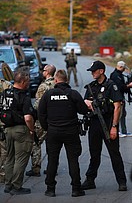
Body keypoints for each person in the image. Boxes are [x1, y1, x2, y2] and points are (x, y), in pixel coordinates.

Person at [38, 69, 89, 197]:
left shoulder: (48, 94)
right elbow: (83, 110)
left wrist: (47, 128)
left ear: (55, 80)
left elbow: (40, 113)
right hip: (70, 131)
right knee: (73, 160)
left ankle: (50, 189)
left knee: (52, 160)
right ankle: (76, 189)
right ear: (67, 80)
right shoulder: (73, 94)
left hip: (53, 131)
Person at [81, 60, 127, 191]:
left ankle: (121, 182)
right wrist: (86, 103)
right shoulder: (91, 87)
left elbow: (117, 106)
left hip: (108, 122)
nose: (92, 74)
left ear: (101, 71)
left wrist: (114, 126)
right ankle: (90, 180)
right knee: (94, 154)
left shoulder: (111, 86)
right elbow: (84, 103)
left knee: (114, 154)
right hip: (94, 123)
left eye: (94, 71)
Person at [2, 70, 36, 195]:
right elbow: (28, 117)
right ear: (22, 82)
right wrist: (32, 130)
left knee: (9, 158)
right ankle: (16, 186)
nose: (28, 84)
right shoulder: (24, 96)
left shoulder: (5, 93)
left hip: (7, 129)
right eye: (27, 81)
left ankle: (8, 184)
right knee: (21, 159)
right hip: (21, 130)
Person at [26, 64, 56, 177]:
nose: (42, 72)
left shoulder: (43, 86)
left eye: (43, 70)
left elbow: (38, 105)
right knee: (52, 145)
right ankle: (52, 167)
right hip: (54, 120)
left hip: (43, 120)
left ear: (47, 72)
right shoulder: (57, 84)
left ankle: (35, 168)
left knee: (36, 142)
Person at [110, 61, 132, 137]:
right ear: (121, 67)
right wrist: (128, 86)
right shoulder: (116, 76)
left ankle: (124, 131)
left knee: (123, 114)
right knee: (119, 114)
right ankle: (117, 130)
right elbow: (120, 87)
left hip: (120, 97)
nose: (124, 70)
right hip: (117, 98)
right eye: (124, 68)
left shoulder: (118, 75)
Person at [0, 79, 13, 183]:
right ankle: (3, 174)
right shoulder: (7, 85)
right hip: (4, 122)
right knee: (5, 150)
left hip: (3, 122)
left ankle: (3, 175)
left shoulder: (6, 85)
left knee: (4, 150)